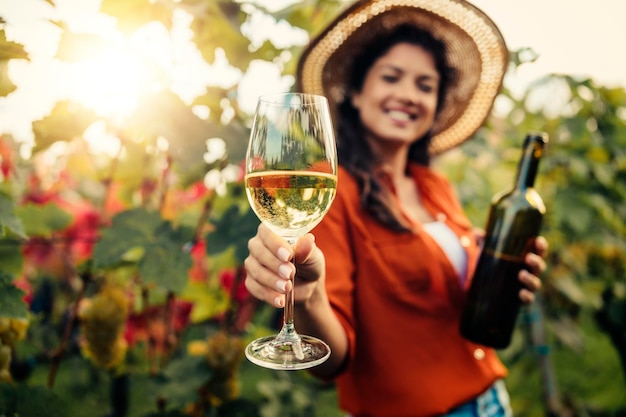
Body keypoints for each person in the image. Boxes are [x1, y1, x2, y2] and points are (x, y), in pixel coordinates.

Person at [244, 0, 549, 416]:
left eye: (425, 85)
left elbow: (447, 292)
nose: (408, 95)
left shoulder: (434, 186)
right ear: (355, 91)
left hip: (491, 402)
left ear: (436, 103)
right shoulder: (331, 193)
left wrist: (498, 277)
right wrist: (308, 296)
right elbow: (331, 360)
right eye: (391, 77)